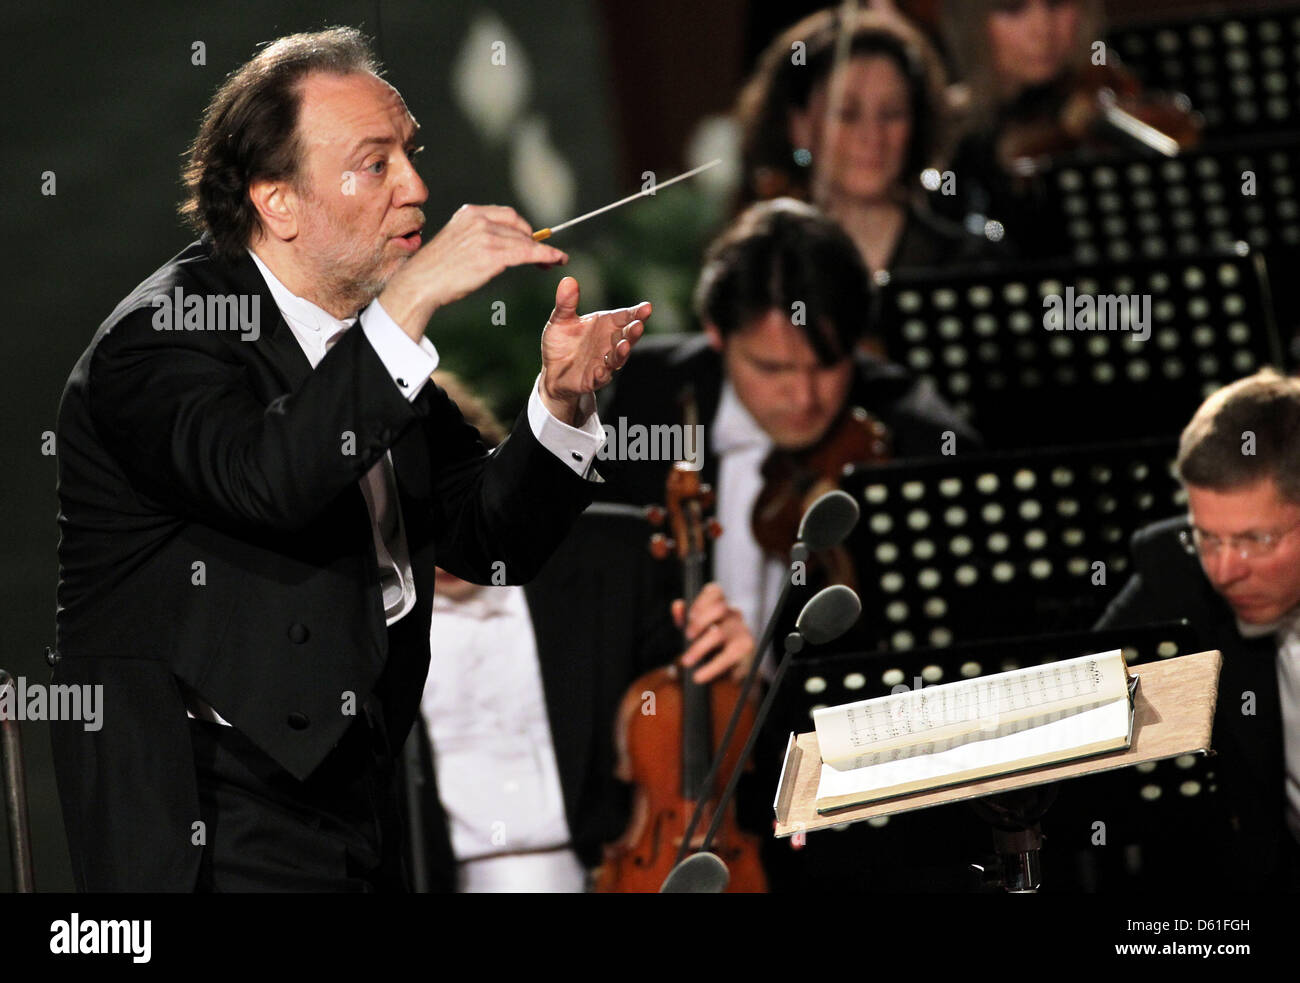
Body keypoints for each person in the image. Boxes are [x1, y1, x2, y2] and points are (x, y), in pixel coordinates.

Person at [50, 27, 651, 892]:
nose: (418, 187)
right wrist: (409, 303)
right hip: (210, 815)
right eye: (376, 164)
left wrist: (559, 405)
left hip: (359, 793)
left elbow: (488, 539)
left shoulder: (366, 345)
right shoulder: (160, 340)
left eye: (410, 153)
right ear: (277, 202)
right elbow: (271, 479)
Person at [596, 197, 984, 891]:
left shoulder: (911, 435)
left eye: (827, 365)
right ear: (717, 334)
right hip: (672, 793)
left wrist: (773, 684)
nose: (804, 396)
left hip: (845, 808)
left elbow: (926, 666)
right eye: (773, 368)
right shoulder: (645, 401)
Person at [405, 374, 755, 892]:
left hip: (618, 873)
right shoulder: (348, 618)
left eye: (451, 501)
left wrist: (734, 662)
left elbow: (710, 729)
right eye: (408, 514)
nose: (436, 536)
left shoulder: (616, 557)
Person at [1096, 368, 1300, 891]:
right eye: (1208, 536)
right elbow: (1080, 696)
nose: (1225, 570)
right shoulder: (1179, 572)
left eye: (1256, 538)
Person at [736, 8, 990, 283]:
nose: (873, 136)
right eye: (847, 113)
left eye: (892, 113)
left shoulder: (973, 262)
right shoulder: (765, 268)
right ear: (800, 127)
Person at [938, 0, 1198, 256]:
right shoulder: (954, 130)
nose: (1043, 30)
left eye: (1057, 4)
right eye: (1012, 9)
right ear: (970, 22)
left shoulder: (1104, 90)